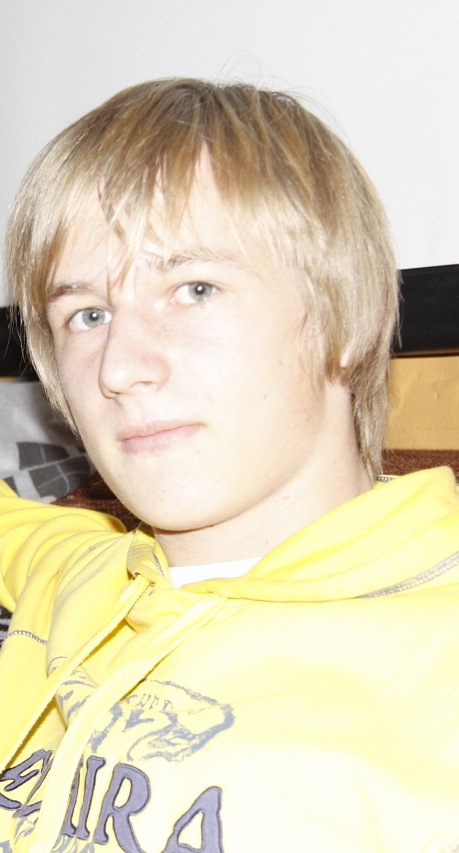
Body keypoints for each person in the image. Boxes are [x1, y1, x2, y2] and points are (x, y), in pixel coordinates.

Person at [0, 78, 458, 853]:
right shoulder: (85, 567)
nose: (119, 366)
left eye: (194, 289)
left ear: (349, 319)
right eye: (88, 314)